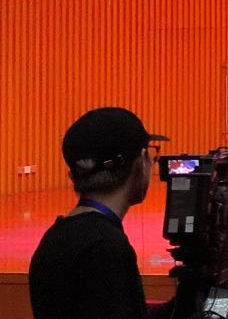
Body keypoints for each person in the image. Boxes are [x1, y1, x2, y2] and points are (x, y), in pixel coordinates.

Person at [28, 106, 189, 319]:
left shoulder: (56, 236)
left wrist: (186, 301)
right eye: (152, 154)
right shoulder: (106, 248)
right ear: (141, 162)